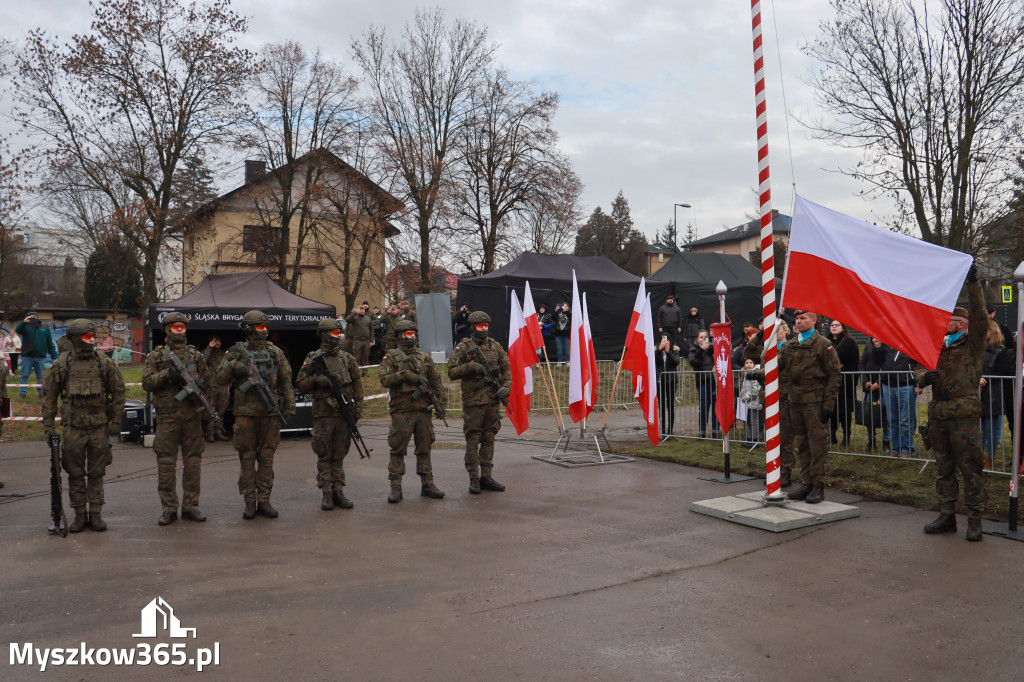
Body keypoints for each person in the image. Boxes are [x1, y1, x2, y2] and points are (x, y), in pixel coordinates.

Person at [914, 264, 987, 540]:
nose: (943, 322)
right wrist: (923, 377)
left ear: (961, 323)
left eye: (949, 319)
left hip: (964, 413)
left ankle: (975, 518)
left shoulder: (972, 343)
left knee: (970, 468)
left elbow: (980, 315)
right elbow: (917, 368)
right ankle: (946, 515)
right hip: (939, 414)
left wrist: (973, 284)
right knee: (943, 468)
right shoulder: (935, 345)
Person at [42, 319, 125, 532]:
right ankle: (79, 515)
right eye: (87, 337)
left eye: (92, 337)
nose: (91, 341)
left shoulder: (103, 363)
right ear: (75, 339)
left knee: (97, 473)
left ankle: (95, 514)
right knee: (75, 473)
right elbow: (50, 397)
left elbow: (118, 392)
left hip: (98, 427)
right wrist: (49, 427)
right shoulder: (62, 364)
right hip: (73, 428)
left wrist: (115, 422)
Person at [216, 310, 296, 520]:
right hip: (245, 415)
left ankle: (265, 500)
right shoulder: (235, 352)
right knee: (247, 458)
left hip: (270, 414)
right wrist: (236, 366)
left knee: (267, 458)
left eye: (265, 327)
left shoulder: (275, 352)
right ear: (249, 329)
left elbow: (286, 380)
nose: (263, 331)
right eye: (259, 327)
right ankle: (250, 501)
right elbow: (219, 379)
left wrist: (289, 404)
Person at [141, 312, 212, 526]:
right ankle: (169, 508)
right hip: (168, 419)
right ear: (167, 329)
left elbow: (208, 381)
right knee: (166, 463)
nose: (180, 330)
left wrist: (197, 384)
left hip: (191, 418)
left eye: (182, 327)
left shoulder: (195, 355)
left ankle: (191, 506)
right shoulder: (156, 356)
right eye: (175, 327)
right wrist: (166, 375)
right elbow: (146, 382)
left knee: (193, 463)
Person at [296, 318, 364, 511]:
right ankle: (327, 491)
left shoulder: (346, 358)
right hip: (324, 415)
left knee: (340, 454)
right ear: (324, 334)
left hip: (343, 414)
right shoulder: (314, 358)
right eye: (334, 333)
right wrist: (319, 380)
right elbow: (301, 383)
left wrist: (358, 409)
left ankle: (339, 490)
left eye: (338, 332)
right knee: (325, 454)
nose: (338, 336)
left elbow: (357, 385)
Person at [379, 320, 446, 503]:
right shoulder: (391, 357)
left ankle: (427, 483)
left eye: (414, 333)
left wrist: (441, 404)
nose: (412, 337)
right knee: (398, 448)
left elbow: (436, 382)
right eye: (409, 334)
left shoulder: (423, 357)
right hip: (402, 411)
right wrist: (404, 375)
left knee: (424, 448)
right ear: (401, 335)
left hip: (423, 411)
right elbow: (384, 379)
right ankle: (395, 486)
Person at [779, 310, 842, 504]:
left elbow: (834, 375)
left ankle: (818, 485)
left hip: (815, 403)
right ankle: (806, 482)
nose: (798, 321)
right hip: (795, 402)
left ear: (814, 321)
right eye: (797, 319)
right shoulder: (790, 345)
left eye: (803, 318)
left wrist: (828, 404)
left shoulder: (823, 345)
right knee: (802, 444)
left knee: (817, 445)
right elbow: (776, 365)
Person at [448, 311, 511, 494]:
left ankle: (487, 476)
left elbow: (507, 369)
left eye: (486, 326)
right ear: (472, 326)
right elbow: (451, 371)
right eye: (479, 326)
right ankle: (474, 478)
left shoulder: (495, 347)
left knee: (489, 438)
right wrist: (470, 367)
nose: (483, 329)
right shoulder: (464, 347)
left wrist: (506, 387)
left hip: (492, 401)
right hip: (473, 402)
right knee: (473, 439)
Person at [746, 320, 795, 485]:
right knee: (771, 435)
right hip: (769, 395)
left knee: (785, 437)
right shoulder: (768, 349)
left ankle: (786, 472)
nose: (775, 332)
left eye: (778, 329)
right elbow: (749, 351)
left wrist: (759, 373)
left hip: (785, 396)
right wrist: (760, 334)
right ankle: (773, 469)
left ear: (786, 331)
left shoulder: (791, 347)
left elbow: (779, 368)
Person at [875, 343, 921, 458]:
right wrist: (878, 348)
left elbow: (919, 365)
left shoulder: (911, 342)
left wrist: (918, 384)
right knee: (892, 419)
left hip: (906, 385)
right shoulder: (887, 342)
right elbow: (878, 361)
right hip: (888, 384)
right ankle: (896, 448)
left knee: (906, 419)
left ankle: (907, 449)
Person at [979, 320, 1013, 469]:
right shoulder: (976, 350)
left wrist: (984, 378)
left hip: (993, 394)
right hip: (978, 393)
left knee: (991, 429)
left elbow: (1001, 370)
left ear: (992, 331)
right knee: (978, 430)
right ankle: (977, 459)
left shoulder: (1001, 350)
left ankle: (990, 460)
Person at [825, 320, 860, 447]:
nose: (833, 327)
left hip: (846, 382)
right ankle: (832, 435)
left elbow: (855, 363)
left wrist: (853, 382)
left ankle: (846, 436)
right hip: (829, 382)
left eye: (837, 325)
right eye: (832, 325)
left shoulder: (849, 342)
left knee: (844, 411)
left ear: (843, 327)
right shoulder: (825, 341)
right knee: (831, 409)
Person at [15, 311, 58, 399]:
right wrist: (24, 322)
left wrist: (54, 357)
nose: (33, 317)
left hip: (41, 356)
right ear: (27, 317)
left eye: (35, 316)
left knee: (40, 376)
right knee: (24, 375)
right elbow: (18, 330)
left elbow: (49, 343)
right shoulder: (25, 327)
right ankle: (22, 393)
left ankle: (41, 393)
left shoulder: (44, 328)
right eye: (31, 316)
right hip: (27, 356)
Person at [687, 329, 720, 438]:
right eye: (701, 337)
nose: (703, 339)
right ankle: (702, 432)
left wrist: (711, 344)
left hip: (714, 380)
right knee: (704, 407)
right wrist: (701, 350)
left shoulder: (711, 349)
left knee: (716, 407)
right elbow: (693, 362)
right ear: (697, 339)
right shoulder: (693, 349)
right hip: (702, 381)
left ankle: (715, 431)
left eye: (705, 337)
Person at [859, 337, 887, 451]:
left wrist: (879, 382)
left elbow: (887, 364)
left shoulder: (887, 344)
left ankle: (886, 441)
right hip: (869, 386)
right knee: (869, 413)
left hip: (884, 385)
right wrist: (865, 380)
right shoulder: (868, 344)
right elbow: (861, 364)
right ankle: (871, 440)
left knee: (885, 412)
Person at [202, 335, 230, 442]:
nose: (217, 343)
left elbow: (229, 370)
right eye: (215, 341)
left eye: (218, 340)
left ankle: (219, 432)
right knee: (211, 410)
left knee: (221, 410)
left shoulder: (224, 354)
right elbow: (202, 361)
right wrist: (210, 347)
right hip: (211, 386)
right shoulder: (207, 352)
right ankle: (210, 433)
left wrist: (228, 385)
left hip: (223, 386)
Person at [655, 336, 679, 438]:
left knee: (670, 405)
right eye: (663, 340)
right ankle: (663, 431)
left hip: (671, 380)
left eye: (667, 341)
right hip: (661, 380)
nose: (665, 342)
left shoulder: (675, 350)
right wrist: (659, 350)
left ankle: (670, 430)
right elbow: (654, 361)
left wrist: (668, 352)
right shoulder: (657, 350)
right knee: (661, 405)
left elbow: (675, 362)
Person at [739, 357, 765, 444]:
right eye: (746, 363)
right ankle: (749, 438)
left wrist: (746, 397)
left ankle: (755, 439)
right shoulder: (745, 373)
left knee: (754, 421)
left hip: (754, 401)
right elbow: (744, 388)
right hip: (746, 402)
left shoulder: (755, 374)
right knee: (748, 421)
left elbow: (755, 390)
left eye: (750, 362)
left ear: (754, 364)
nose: (748, 364)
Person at [345, 304, 373, 377]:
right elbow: (347, 319)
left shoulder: (368, 319)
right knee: (357, 357)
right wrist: (355, 312)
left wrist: (371, 341)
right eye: (360, 309)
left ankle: (365, 373)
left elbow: (372, 330)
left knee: (366, 357)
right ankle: (356, 372)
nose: (362, 310)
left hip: (366, 341)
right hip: (357, 340)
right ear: (358, 310)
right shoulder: (354, 318)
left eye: (363, 309)